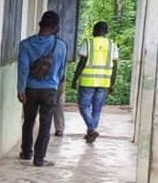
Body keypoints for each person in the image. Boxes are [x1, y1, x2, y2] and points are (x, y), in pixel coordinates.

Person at [17, 10, 68, 167]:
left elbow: (23, 69)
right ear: (55, 27)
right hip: (50, 90)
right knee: (45, 124)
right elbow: (61, 71)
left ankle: (26, 152)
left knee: (29, 120)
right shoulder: (60, 46)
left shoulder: (26, 44)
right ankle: (39, 158)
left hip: (30, 89)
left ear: (41, 24)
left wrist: (21, 89)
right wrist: (57, 87)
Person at [72, 21, 119, 144]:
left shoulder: (89, 43)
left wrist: (74, 79)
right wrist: (112, 83)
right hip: (104, 82)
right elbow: (115, 67)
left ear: (94, 30)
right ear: (106, 32)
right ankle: (90, 133)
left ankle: (91, 129)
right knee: (97, 110)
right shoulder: (112, 45)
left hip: (88, 81)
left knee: (83, 107)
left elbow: (81, 63)